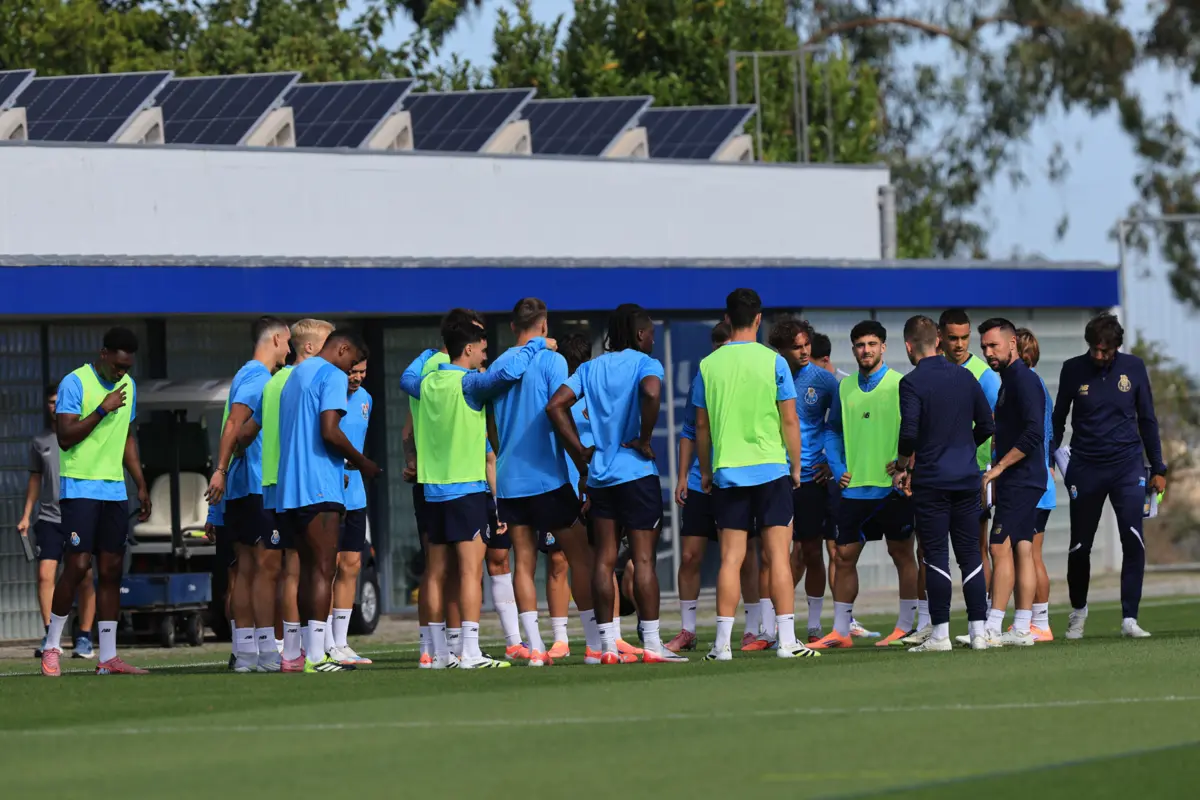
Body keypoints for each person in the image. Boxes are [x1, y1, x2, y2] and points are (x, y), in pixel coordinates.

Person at [402, 318, 549, 669]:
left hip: (432, 491)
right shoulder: (468, 384)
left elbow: (407, 376)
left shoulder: (426, 382)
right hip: (466, 489)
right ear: (468, 349)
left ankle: (439, 654)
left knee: (436, 573)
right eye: (482, 348)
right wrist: (538, 344)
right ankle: (468, 651)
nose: (485, 354)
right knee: (470, 572)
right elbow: (505, 376)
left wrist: (432, 351)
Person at [547, 303, 684, 663]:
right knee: (642, 559)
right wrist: (644, 438)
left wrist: (580, 453)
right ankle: (652, 644)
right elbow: (652, 393)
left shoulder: (590, 368)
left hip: (601, 476)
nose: (653, 338)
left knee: (603, 561)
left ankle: (606, 646)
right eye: (651, 332)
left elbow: (555, 406)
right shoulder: (645, 364)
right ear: (640, 334)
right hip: (637, 474)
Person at [692, 289, 815, 661]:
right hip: (771, 468)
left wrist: (707, 471)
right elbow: (789, 419)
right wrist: (796, 466)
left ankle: (722, 645)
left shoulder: (708, 365)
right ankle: (788, 641)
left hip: (728, 469)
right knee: (779, 555)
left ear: (727, 319)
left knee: (731, 559)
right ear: (759, 319)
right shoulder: (774, 361)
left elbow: (701, 427)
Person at [490, 299, 600, 667]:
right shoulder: (553, 361)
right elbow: (560, 413)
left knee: (523, 562)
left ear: (511, 327)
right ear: (544, 325)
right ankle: (595, 645)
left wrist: (501, 451)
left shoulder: (499, 364)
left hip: (509, 481)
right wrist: (581, 464)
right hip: (548, 478)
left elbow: (490, 422)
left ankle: (536, 648)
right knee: (580, 556)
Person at [41, 327, 151, 677]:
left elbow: (127, 438)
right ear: (104, 354)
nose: (123, 373)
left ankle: (109, 657)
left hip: (115, 492)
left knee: (111, 571)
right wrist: (103, 409)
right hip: (80, 489)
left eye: (128, 367)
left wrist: (141, 484)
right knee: (77, 567)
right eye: (118, 365)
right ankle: (52, 647)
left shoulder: (128, 386)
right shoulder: (75, 383)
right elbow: (65, 437)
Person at [1052, 313, 1165, 640]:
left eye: (1105, 351)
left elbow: (1148, 420)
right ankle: (1078, 613)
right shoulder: (1073, 369)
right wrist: (1048, 456)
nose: (1099, 356)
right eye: (1094, 350)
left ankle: (1129, 617)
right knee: (1079, 545)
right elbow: (1058, 420)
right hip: (1085, 468)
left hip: (1127, 466)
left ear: (1117, 347)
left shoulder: (1134, 368)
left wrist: (1158, 467)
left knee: (1133, 538)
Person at [811, 321, 920, 650]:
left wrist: (907, 464)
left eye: (872, 343)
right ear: (853, 348)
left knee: (902, 553)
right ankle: (841, 631)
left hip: (892, 488)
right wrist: (839, 467)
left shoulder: (901, 385)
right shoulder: (843, 388)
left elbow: (916, 430)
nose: (866, 350)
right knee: (843, 558)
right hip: (854, 490)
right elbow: (832, 431)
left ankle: (904, 627)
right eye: (860, 345)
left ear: (884, 347)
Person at [278, 329, 379, 673]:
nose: (351, 371)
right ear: (343, 349)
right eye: (352, 362)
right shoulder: (331, 374)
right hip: (320, 485)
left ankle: (297, 653)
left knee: (305, 570)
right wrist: (363, 462)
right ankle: (318, 656)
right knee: (323, 569)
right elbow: (329, 430)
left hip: (290, 488)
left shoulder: (295, 374)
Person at [894, 315, 993, 652]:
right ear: (938, 341)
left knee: (935, 555)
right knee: (971, 556)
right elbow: (987, 424)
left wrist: (904, 465)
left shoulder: (911, 383)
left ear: (909, 346)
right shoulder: (965, 376)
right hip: (966, 478)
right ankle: (979, 632)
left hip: (932, 480)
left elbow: (908, 432)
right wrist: (966, 445)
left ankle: (940, 636)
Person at [205, 316, 292, 673]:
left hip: (241, 488)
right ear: (275, 340)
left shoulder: (244, 374)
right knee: (265, 569)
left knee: (244, 571)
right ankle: (265, 652)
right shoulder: (258, 378)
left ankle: (244, 654)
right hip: (255, 485)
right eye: (287, 342)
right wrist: (221, 470)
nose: (288, 349)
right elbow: (234, 425)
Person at [258, 318, 334, 665]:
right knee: (308, 568)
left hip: (277, 483)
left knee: (288, 569)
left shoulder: (277, 382)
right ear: (311, 347)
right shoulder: (312, 379)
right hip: (302, 483)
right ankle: (308, 650)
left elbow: (248, 429)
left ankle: (291, 649)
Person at [770, 318, 840, 643]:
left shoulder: (825, 382)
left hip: (811, 477)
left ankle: (814, 623)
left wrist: (831, 461)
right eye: (796, 346)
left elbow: (841, 427)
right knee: (774, 554)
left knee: (812, 550)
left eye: (806, 345)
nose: (804, 351)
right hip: (774, 474)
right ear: (781, 349)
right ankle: (770, 626)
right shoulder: (767, 377)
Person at [979, 317, 1046, 647]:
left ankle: (992, 625)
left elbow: (1034, 431)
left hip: (1022, 479)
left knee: (997, 545)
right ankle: (1022, 628)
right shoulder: (1007, 380)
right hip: (1020, 479)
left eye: (993, 345)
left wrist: (999, 468)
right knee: (1022, 548)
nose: (988, 352)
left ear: (1012, 344)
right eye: (985, 347)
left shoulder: (1023, 380)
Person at [934, 309, 1001, 617]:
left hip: (976, 474)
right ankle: (929, 620)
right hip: (936, 474)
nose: (959, 345)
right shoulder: (933, 370)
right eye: (953, 338)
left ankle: (984, 616)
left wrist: (995, 470)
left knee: (977, 545)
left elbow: (999, 426)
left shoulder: (985, 376)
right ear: (940, 337)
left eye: (964, 338)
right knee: (931, 547)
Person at [20, 383, 95, 660]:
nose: (54, 406)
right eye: (51, 402)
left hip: (78, 515)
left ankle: (85, 637)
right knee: (44, 576)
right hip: (49, 518)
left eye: (58, 401)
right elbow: (35, 478)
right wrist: (27, 516)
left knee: (84, 577)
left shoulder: (82, 434)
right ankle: (51, 636)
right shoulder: (40, 441)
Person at [811, 334, 876, 640]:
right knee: (808, 551)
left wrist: (836, 466)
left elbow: (855, 433)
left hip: (843, 480)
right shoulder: (798, 384)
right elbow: (827, 431)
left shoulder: (844, 384)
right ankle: (811, 623)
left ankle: (845, 622)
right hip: (815, 477)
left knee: (839, 550)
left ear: (824, 360)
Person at [328, 357, 373, 665]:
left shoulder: (366, 398)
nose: (356, 377)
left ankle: (341, 642)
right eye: (352, 371)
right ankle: (325, 641)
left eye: (362, 371)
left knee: (351, 565)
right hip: (328, 494)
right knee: (327, 568)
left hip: (356, 496)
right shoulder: (328, 396)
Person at [1016, 328, 1056, 641]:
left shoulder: (1027, 386)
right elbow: (1053, 435)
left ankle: (1038, 623)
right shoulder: (1039, 386)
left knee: (1029, 555)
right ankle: (1032, 621)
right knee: (1027, 554)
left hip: (1032, 481)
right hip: (1040, 479)